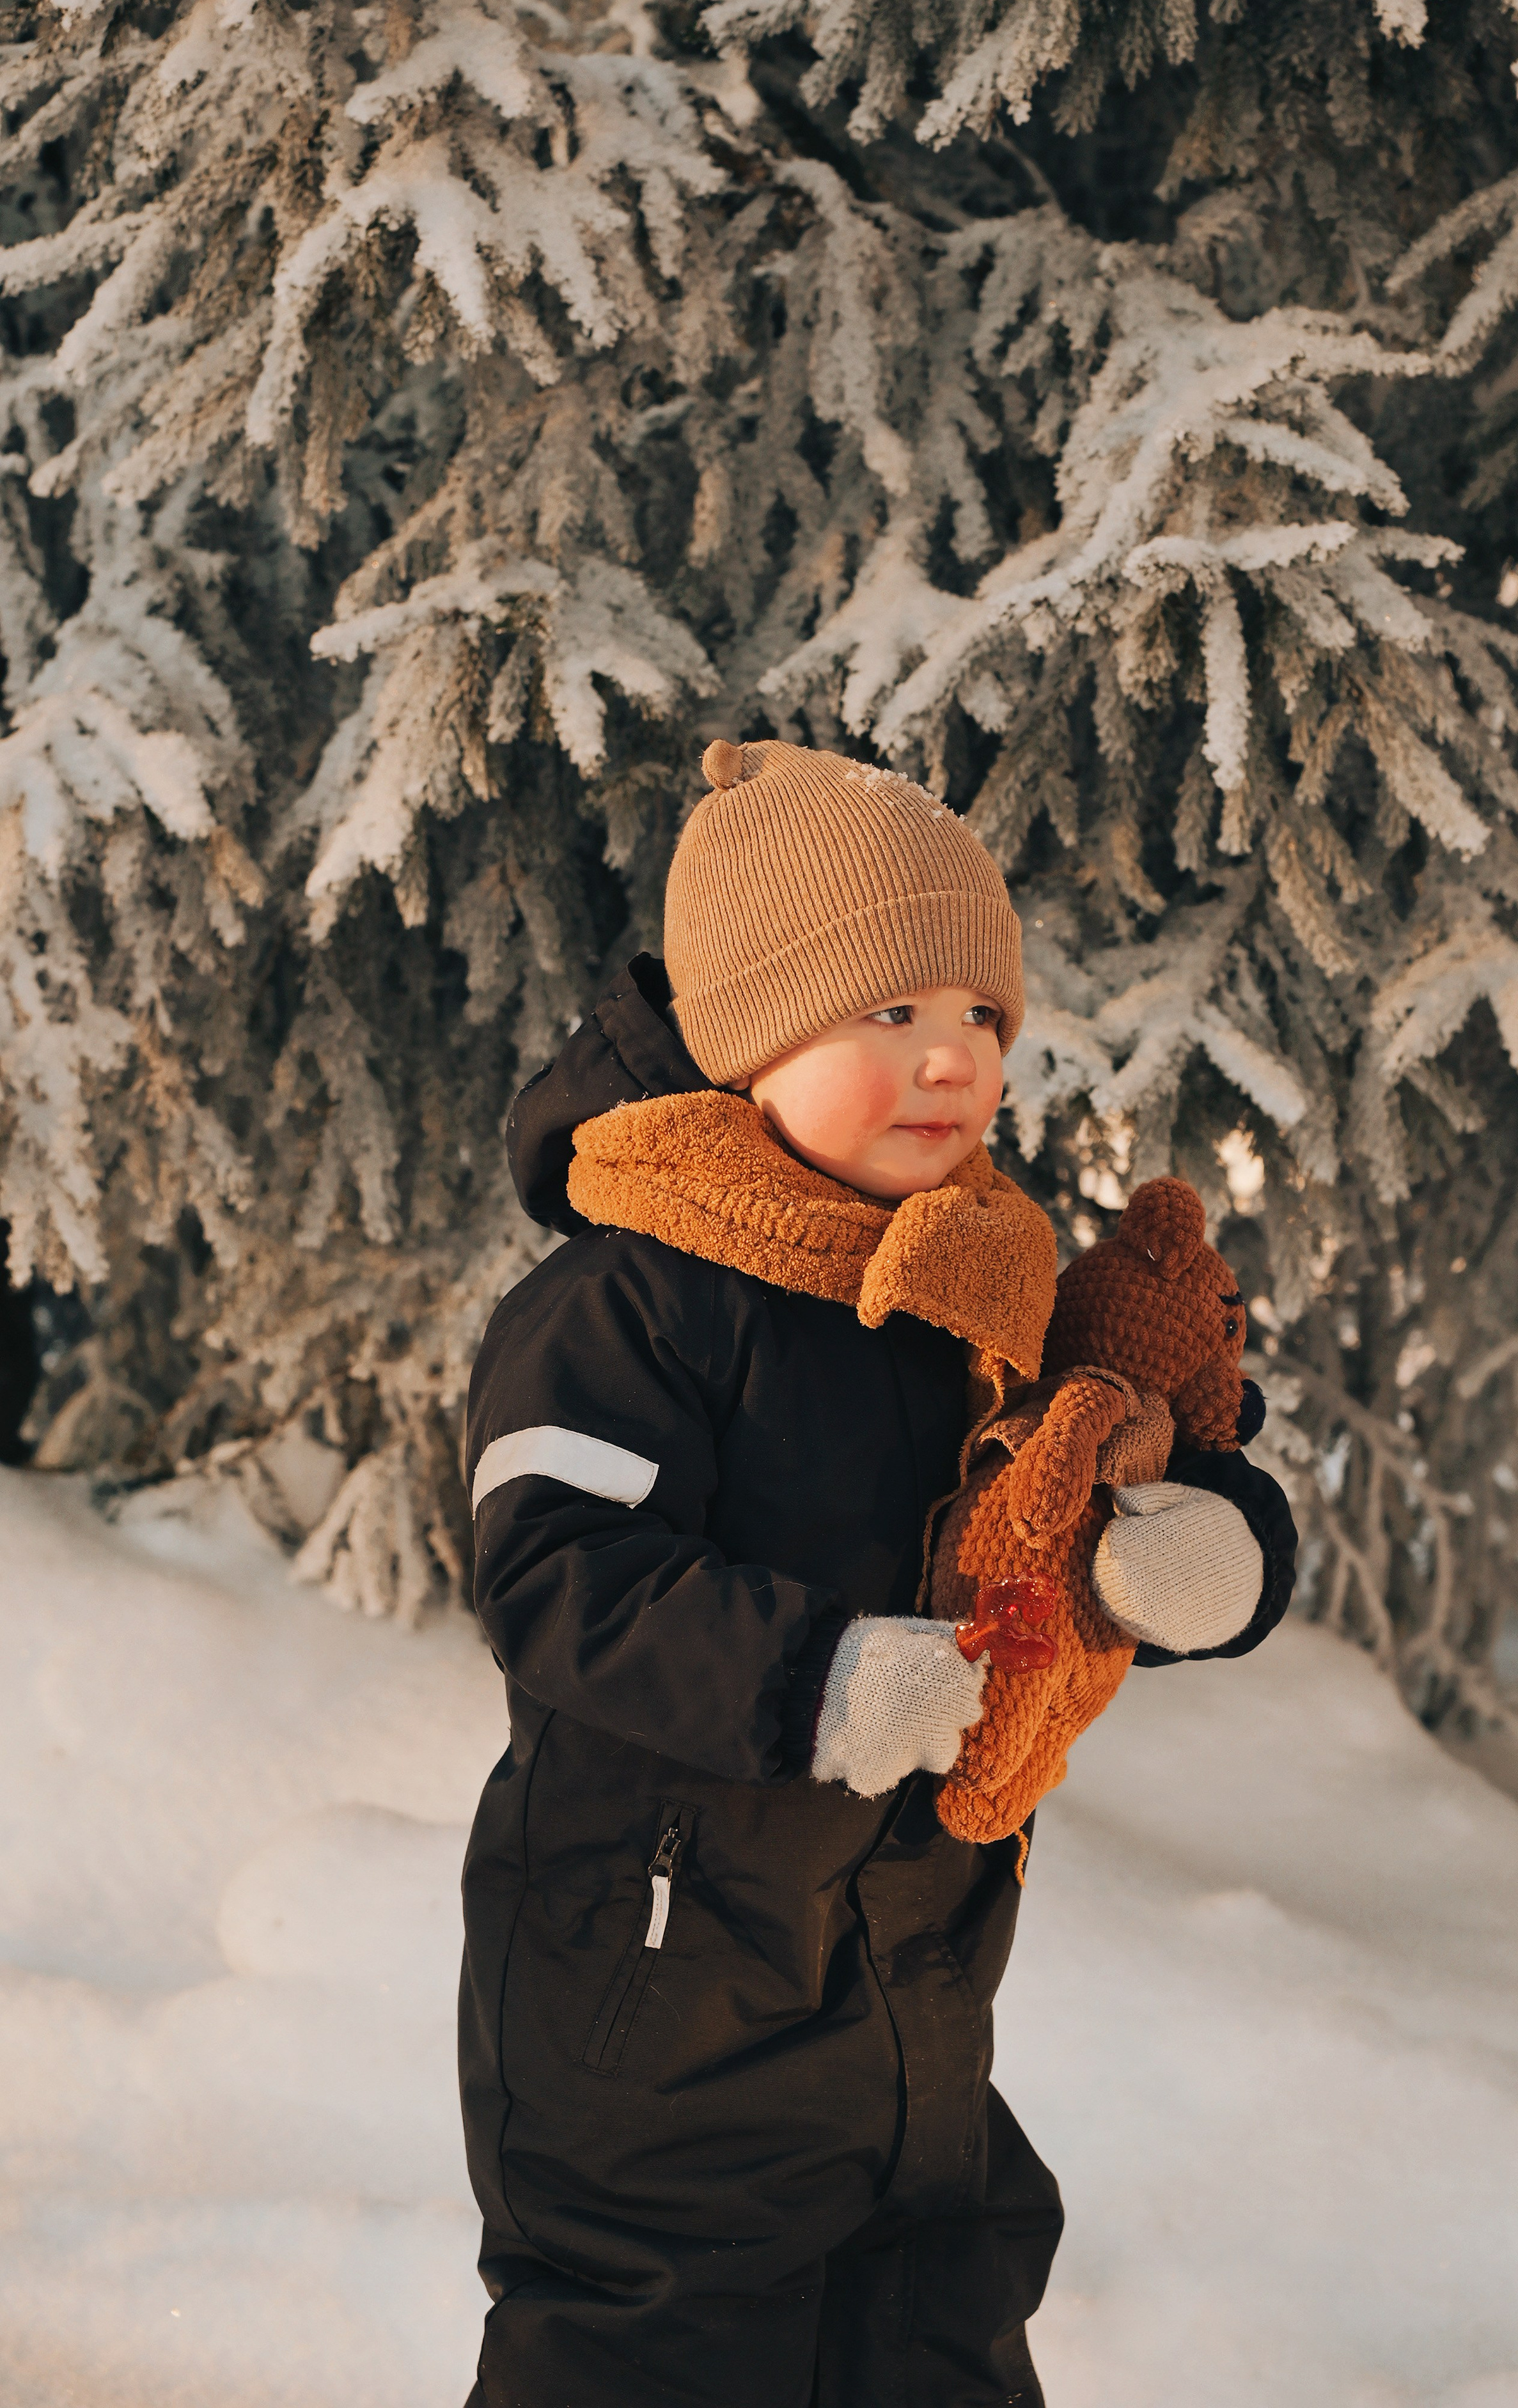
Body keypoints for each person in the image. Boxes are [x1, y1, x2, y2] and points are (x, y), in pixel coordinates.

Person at [458, 738, 1297, 2408]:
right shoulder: (633, 1299)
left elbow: (1130, 1448)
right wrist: (810, 1675)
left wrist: (1208, 1552)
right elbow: (555, 1569)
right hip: (655, 2015)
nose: (953, 1063)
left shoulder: (977, 1282)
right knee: (649, 2364)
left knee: (934, 2347)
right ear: (750, 1036)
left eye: (982, 1019)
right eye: (890, 1016)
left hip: (913, 1996)